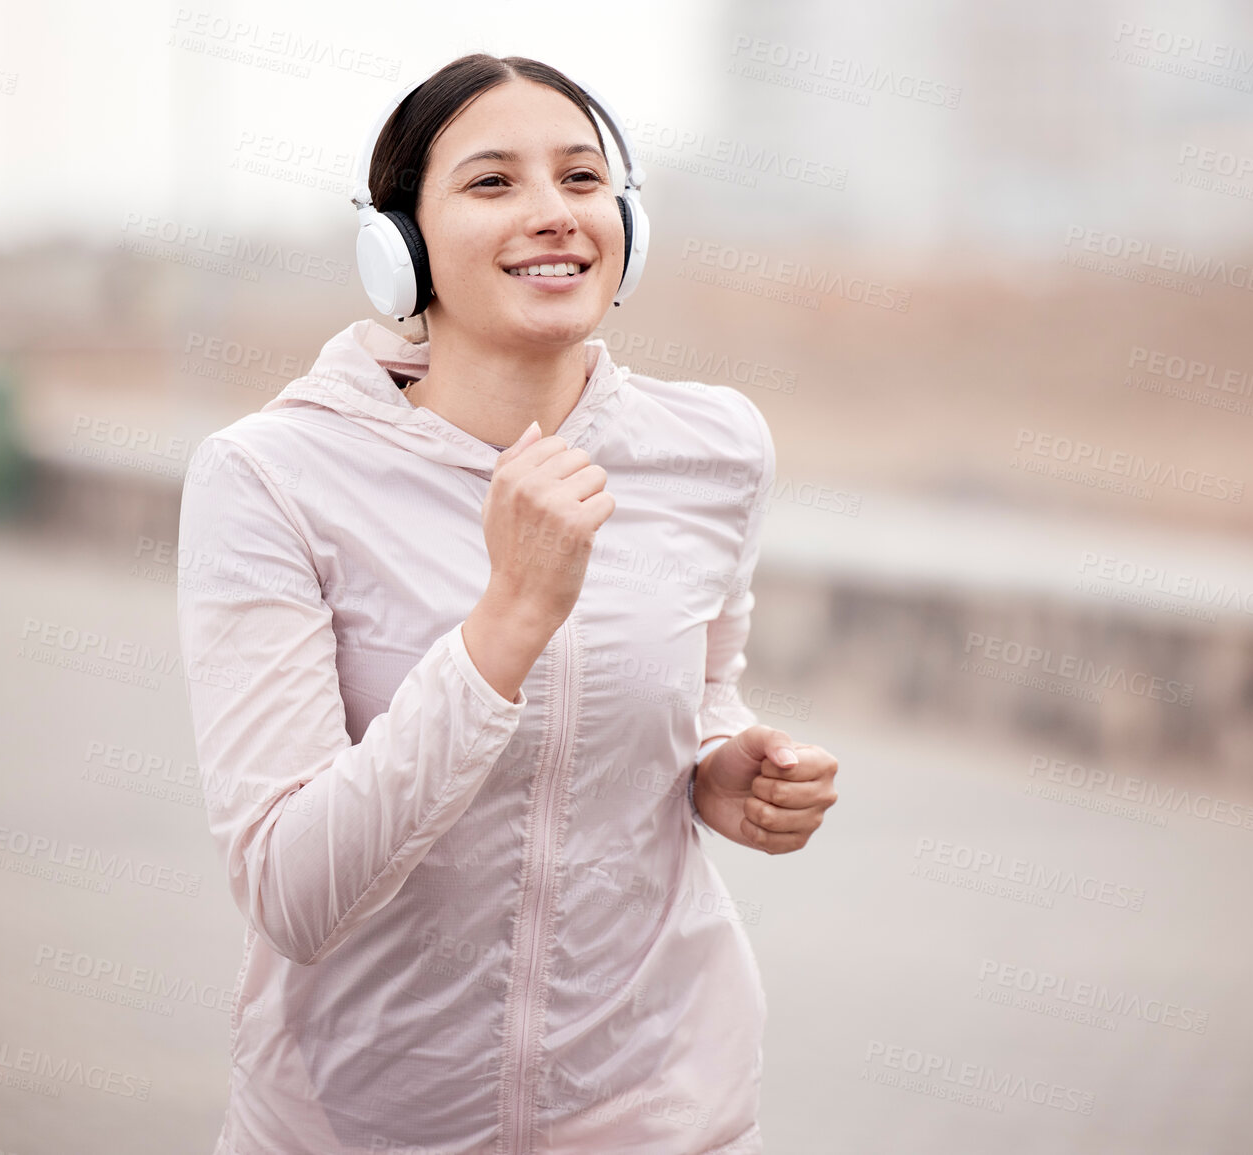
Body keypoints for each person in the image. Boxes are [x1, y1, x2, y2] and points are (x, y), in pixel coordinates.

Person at [175, 52, 840, 1155]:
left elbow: (707, 685)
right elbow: (292, 888)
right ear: (397, 244)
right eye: (493, 184)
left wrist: (716, 761)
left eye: (583, 180)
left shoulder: (715, 448)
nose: (553, 215)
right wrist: (508, 622)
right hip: (359, 1126)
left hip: (663, 1114)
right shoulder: (269, 477)